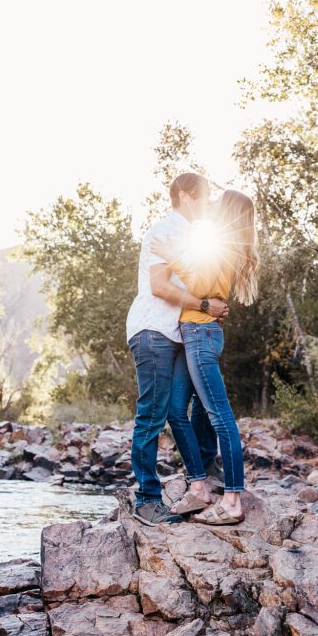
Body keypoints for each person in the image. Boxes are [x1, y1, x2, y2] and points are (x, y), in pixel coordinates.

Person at [125, 173, 228, 526]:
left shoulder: (196, 239)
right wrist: (203, 304)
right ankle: (147, 499)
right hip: (154, 329)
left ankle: (203, 472)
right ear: (185, 195)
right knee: (152, 414)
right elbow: (159, 286)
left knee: (192, 402)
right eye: (204, 198)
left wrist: (214, 304)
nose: (208, 205)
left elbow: (205, 285)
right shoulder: (162, 232)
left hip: (184, 333)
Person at [152, 189, 260, 525]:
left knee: (219, 415)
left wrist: (172, 255)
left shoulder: (220, 247)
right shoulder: (221, 245)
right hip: (195, 333)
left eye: (216, 204)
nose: (210, 206)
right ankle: (199, 487)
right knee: (174, 409)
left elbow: (198, 287)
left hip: (201, 335)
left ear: (226, 212)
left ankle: (232, 501)